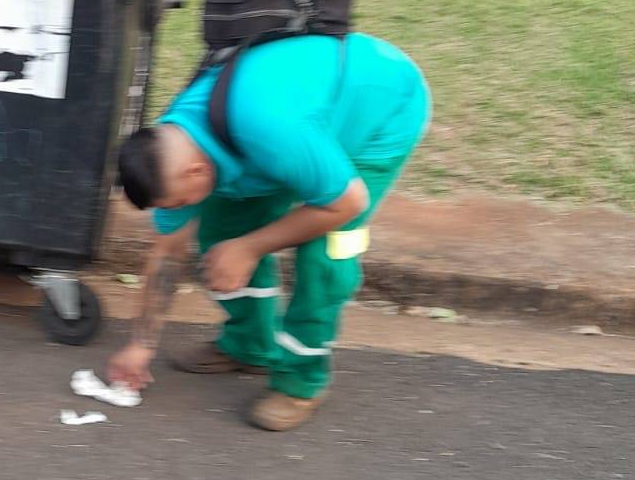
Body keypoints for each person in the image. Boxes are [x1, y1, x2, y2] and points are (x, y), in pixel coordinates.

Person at [106, 30, 431, 431]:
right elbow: (168, 251)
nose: (178, 210)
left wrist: (250, 247)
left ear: (196, 171)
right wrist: (140, 346)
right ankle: (250, 345)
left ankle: (301, 383)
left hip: (381, 108)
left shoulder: (270, 129)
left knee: (325, 256)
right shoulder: (174, 142)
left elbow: (348, 203)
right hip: (296, 128)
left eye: (177, 203)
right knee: (224, 230)